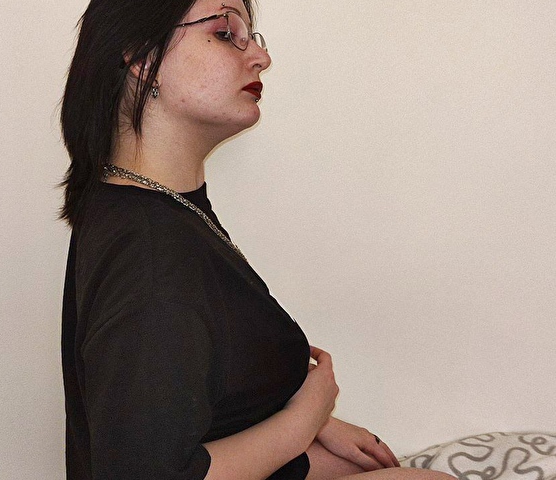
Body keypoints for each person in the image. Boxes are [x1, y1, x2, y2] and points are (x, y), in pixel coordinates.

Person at [59, 0, 457, 478]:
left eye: (253, 38)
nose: (261, 58)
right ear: (143, 57)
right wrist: (303, 420)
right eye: (226, 33)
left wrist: (317, 424)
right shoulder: (149, 250)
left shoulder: (158, 209)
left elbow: (199, 386)